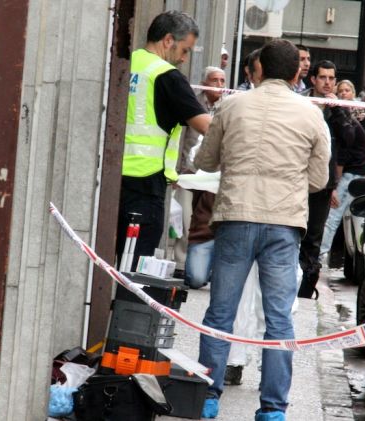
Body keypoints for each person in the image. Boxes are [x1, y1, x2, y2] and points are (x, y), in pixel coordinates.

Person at [194, 39, 330, 421]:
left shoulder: (231, 104)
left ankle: (208, 395)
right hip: (283, 223)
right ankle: (272, 408)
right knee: (279, 319)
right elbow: (319, 179)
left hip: (236, 216)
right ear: (296, 72)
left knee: (221, 312)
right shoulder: (310, 114)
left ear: (258, 69)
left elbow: (206, 158)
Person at [115, 11, 211, 297]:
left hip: (109, 182)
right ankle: (127, 335)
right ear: (168, 40)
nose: (184, 58)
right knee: (136, 268)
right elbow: (205, 125)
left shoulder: (125, 63)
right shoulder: (166, 76)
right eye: (184, 50)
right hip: (145, 184)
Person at [298, 60, 353, 299]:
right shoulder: (301, 101)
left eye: (332, 78)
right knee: (294, 230)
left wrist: (337, 108)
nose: (328, 82)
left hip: (323, 184)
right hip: (297, 178)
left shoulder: (336, 107)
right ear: (313, 79)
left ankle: (306, 285)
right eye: (323, 78)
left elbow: (348, 139)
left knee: (314, 236)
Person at [173, 66, 226, 278]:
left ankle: (203, 267)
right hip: (190, 171)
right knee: (186, 221)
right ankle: (180, 264)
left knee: (207, 221)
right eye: (214, 80)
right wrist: (177, 171)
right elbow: (181, 138)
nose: (219, 85)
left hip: (215, 176)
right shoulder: (192, 103)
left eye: (223, 81)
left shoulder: (227, 106)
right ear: (205, 83)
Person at [318, 81, 365, 262]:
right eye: (340, 91)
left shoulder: (342, 120)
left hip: (351, 173)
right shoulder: (345, 116)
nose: (343, 94)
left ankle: (320, 255)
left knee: (333, 217)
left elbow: (342, 155)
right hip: (354, 172)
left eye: (347, 90)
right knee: (347, 218)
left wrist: (335, 185)